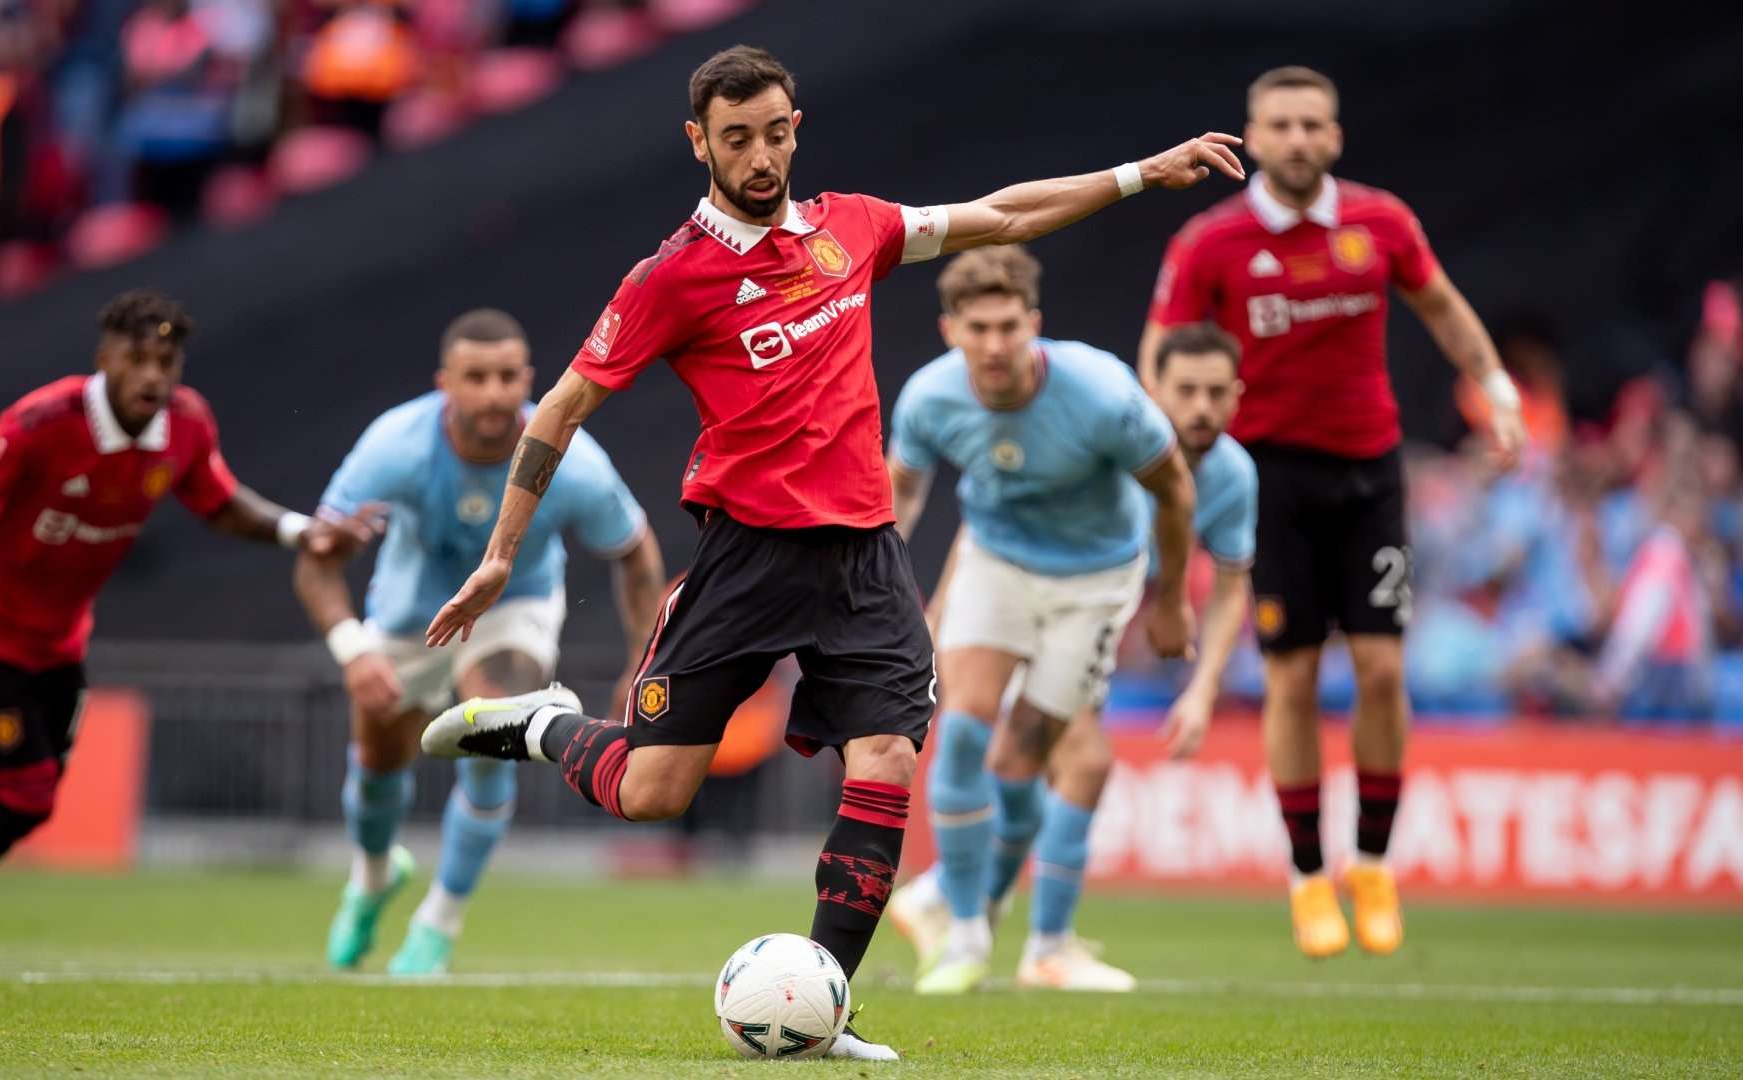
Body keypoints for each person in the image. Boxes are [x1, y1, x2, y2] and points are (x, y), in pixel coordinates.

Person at [418, 45, 1242, 1059]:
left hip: (862, 557)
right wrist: (502, 554)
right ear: (698, 144)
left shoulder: (851, 228)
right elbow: (564, 403)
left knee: (888, 758)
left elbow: (1002, 214)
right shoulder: (673, 276)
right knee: (652, 791)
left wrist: (1136, 175)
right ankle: (546, 726)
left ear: (795, 125)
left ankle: (828, 1006)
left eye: (773, 132)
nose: (759, 156)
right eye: (735, 139)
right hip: (746, 560)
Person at [0, 289, 382, 971]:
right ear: (104, 358)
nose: (153, 375)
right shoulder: (42, 420)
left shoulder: (185, 424)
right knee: (20, 790)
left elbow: (219, 503)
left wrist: (304, 531)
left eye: (166, 361)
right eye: (137, 358)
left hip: (60, 638)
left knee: (27, 798)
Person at [1136, 66, 1525, 958]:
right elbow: (1160, 350)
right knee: (1293, 680)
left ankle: (1374, 863)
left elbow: (1442, 307)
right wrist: (1164, 441)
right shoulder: (1210, 242)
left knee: (1385, 670)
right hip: (1267, 480)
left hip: (1369, 473)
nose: (1299, 139)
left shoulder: (1380, 223)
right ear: (1254, 135)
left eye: (1314, 124)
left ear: (1336, 137)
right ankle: (1309, 874)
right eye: (1282, 125)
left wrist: (1494, 384)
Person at [883, 315, 1257, 994]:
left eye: (1215, 393)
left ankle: (951, 901)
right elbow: (1002, 511)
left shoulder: (1230, 476)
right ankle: (1029, 940)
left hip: (1089, 612)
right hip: (1025, 595)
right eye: (1185, 391)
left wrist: (1203, 689)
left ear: (1236, 396)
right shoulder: (1107, 429)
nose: (1200, 409)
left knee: (1029, 762)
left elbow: (1232, 586)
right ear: (1153, 389)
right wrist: (942, 608)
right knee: (1077, 760)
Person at [293, 308, 664, 974]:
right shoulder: (395, 446)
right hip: (411, 618)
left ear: (527, 379)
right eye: (476, 377)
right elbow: (315, 557)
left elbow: (634, 552)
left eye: (506, 376)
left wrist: (642, 663)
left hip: (513, 610)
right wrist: (354, 651)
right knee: (379, 764)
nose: (493, 392)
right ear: (445, 384)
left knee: (495, 723)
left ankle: (438, 924)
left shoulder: (573, 460)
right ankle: (373, 876)